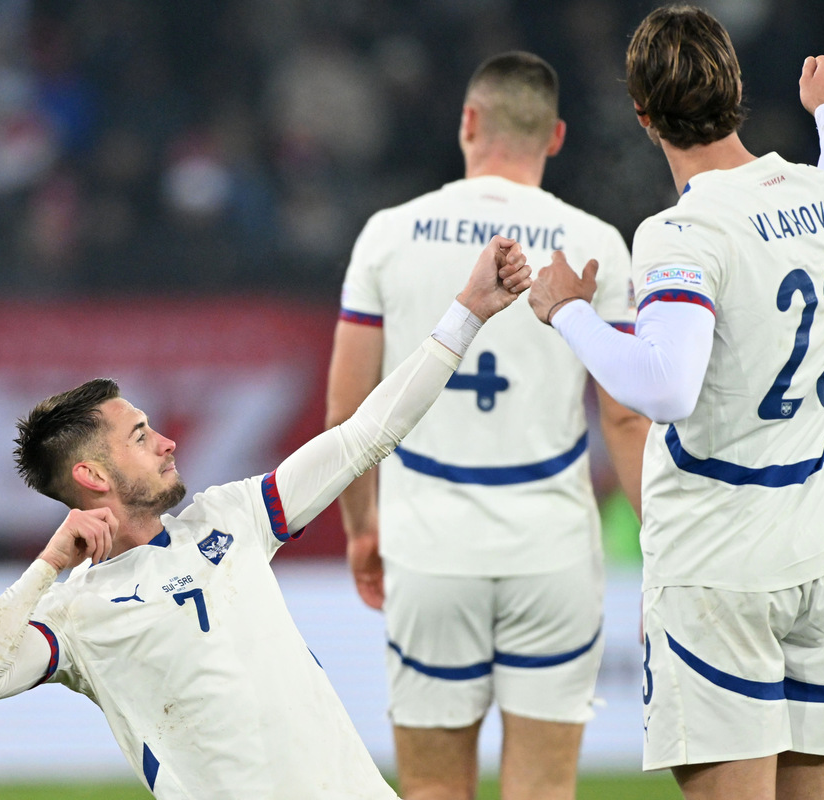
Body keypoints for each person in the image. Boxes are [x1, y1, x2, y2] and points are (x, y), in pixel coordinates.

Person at [0, 236, 532, 800]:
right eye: (142, 435)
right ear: (93, 477)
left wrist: (468, 312)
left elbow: (365, 436)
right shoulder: (74, 613)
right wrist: (48, 566)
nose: (168, 442)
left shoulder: (233, 517)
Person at [527, 6, 824, 800]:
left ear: (644, 118)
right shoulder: (820, 196)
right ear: (737, 90)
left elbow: (667, 386)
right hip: (819, 547)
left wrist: (566, 312)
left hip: (722, 565)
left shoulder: (682, 233)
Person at [325, 51, 649, 800]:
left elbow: (347, 413)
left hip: (430, 544)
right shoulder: (596, 240)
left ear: (468, 122)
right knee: (543, 789)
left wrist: (361, 528)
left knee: (435, 788)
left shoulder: (389, 233)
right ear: (557, 136)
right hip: (553, 550)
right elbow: (626, 413)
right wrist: (659, 540)